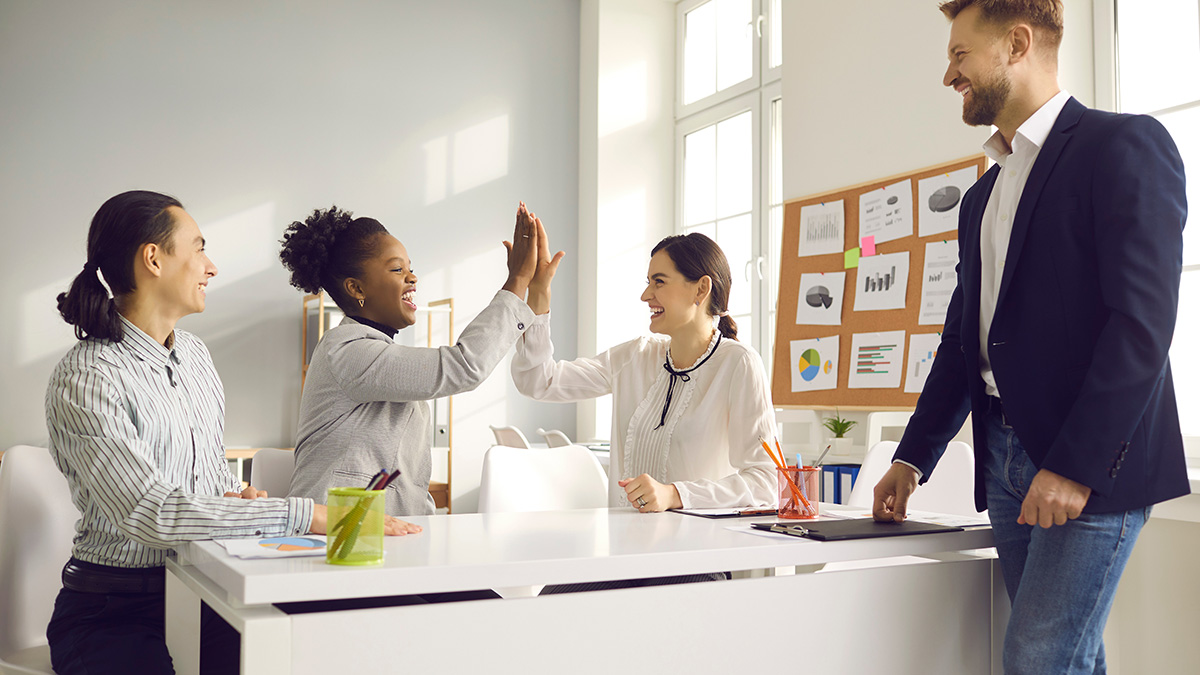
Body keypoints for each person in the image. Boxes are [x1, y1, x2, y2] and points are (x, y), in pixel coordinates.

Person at [871, 2, 1189, 673]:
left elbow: (1142, 323)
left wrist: (1075, 464)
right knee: (1068, 657)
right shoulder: (981, 197)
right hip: (1005, 460)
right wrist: (913, 456)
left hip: (1090, 464)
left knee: (1038, 659)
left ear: (1016, 43)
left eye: (960, 55)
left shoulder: (1123, 145)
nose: (947, 74)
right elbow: (966, 339)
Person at [44, 191, 417, 675]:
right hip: (114, 611)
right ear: (153, 258)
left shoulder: (195, 357)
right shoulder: (87, 376)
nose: (211, 266)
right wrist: (305, 515)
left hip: (207, 589)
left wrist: (235, 494)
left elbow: (205, 474)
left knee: (305, 658)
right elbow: (149, 511)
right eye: (198, 248)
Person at [280, 203, 544, 517]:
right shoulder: (347, 350)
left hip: (380, 532)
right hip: (337, 537)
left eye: (410, 268)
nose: (412, 277)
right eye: (397, 270)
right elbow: (463, 367)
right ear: (356, 287)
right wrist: (518, 281)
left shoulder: (373, 351)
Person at [512, 231, 776, 515]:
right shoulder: (634, 357)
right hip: (626, 548)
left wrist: (675, 494)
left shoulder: (739, 364)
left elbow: (765, 483)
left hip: (698, 551)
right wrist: (538, 292)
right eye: (648, 282)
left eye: (659, 282)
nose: (645, 295)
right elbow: (539, 381)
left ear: (701, 289)